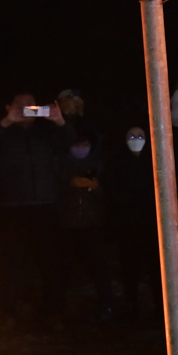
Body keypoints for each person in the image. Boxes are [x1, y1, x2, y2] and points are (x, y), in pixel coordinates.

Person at [0, 93, 68, 329]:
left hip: (45, 204)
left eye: (31, 105)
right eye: (20, 105)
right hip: (11, 207)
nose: (26, 109)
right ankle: (7, 313)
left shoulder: (45, 131)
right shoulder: (1, 131)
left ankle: (53, 312)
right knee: (9, 264)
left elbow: (70, 142)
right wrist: (7, 121)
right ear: (8, 107)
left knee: (51, 262)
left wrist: (59, 120)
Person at [108, 125, 162, 323]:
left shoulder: (154, 160)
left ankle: (161, 307)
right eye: (131, 135)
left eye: (140, 136)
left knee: (157, 269)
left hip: (151, 225)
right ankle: (131, 306)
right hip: (128, 225)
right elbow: (113, 191)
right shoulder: (118, 161)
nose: (136, 139)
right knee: (130, 268)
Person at [60, 131, 111, 318]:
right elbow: (54, 192)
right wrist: (69, 184)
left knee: (100, 268)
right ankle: (60, 307)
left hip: (93, 225)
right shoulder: (61, 165)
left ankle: (106, 305)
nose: (81, 149)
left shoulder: (99, 165)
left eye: (84, 144)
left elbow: (109, 195)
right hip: (67, 225)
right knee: (64, 269)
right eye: (77, 145)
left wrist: (97, 188)